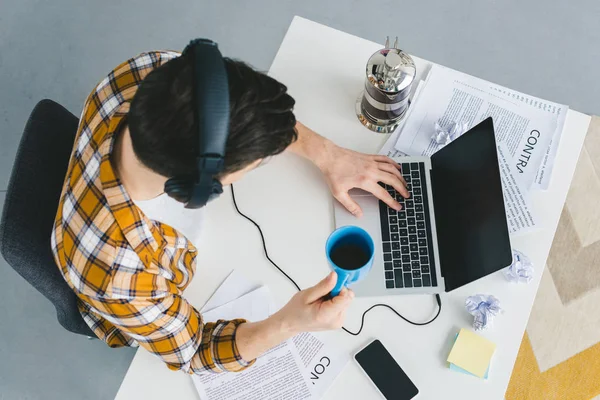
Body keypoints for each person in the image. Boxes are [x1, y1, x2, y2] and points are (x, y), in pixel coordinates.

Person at [51, 48, 408, 375]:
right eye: (256, 164)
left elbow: (238, 110)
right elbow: (194, 352)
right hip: (146, 306)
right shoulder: (119, 275)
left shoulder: (155, 71)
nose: (265, 160)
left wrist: (330, 155)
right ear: (193, 189)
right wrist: (290, 322)